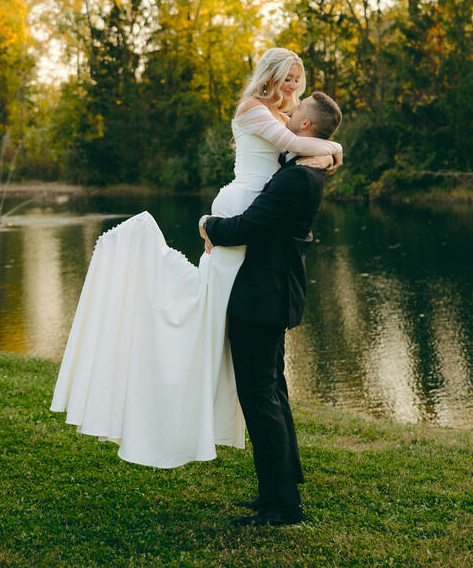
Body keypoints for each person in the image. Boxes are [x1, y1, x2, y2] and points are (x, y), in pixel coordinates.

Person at [51, 48, 342, 469]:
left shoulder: (286, 118)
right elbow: (296, 145)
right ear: (270, 76)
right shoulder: (253, 109)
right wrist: (335, 149)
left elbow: (299, 148)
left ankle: (272, 476)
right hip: (243, 209)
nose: (292, 86)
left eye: (298, 79)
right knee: (219, 321)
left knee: (253, 362)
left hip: (255, 224)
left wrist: (326, 153)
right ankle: (176, 364)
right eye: (288, 78)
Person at [199, 90, 342, 527]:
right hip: (269, 293)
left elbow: (252, 225)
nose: (290, 108)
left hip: (263, 297)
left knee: (260, 399)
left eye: (297, 109)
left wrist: (209, 225)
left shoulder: (299, 178)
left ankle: (282, 507)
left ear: (305, 126)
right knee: (271, 393)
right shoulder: (300, 167)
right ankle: (276, 493)